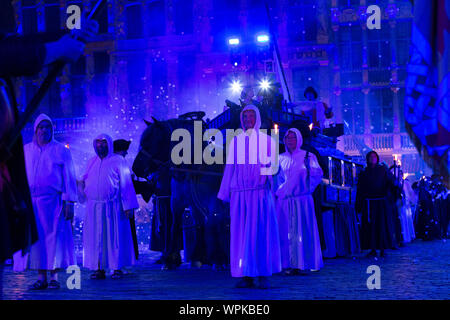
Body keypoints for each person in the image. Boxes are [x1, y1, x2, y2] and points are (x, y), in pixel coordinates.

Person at [218, 105, 281, 289]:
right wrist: (224, 194)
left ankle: (262, 274)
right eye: (244, 117)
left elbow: (273, 166)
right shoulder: (235, 142)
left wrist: (269, 181)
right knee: (241, 235)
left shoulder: (268, 141)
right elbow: (230, 168)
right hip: (240, 195)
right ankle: (245, 274)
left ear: (257, 119)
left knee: (260, 234)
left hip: (259, 193)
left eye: (251, 117)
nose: (247, 120)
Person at [13, 114, 78, 290]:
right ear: (36, 130)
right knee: (37, 241)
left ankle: (54, 277)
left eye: (47, 127)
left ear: (52, 130)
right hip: (32, 204)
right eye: (41, 127)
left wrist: (69, 202)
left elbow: (69, 177)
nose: (44, 130)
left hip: (53, 203)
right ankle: (41, 277)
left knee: (54, 239)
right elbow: (19, 176)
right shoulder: (26, 150)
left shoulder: (61, 150)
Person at [79, 134, 139, 279]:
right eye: (98, 143)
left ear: (109, 144)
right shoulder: (91, 162)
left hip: (113, 208)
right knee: (96, 239)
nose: (100, 146)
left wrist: (128, 206)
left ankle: (116, 267)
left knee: (114, 238)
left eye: (103, 143)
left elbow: (126, 183)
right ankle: (98, 268)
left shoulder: (118, 160)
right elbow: (85, 180)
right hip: (94, 208)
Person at [276, 128, 324, 275]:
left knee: (302, 232)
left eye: (293, 138)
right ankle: (287, 263)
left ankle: (302, 263)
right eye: (288, 138)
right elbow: (274, 179)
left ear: (299, 139)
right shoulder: (279, 158)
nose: (290, 141)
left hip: (302, 201)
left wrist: (305, 188)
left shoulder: (308, 156)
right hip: (284, 202)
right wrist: (279, 193)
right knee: (286, 233)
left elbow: (317, 176)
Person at [355, 151, 398, 258]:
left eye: (374, 157)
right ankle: (373, 249)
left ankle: (383, 249)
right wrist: (359, 205)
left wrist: (394, 186)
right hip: (369, 203)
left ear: (377, 158)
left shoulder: (383, 170)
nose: (372, 158)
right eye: (370, 157)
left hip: (381, 203)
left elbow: (390, 182)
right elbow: (360, 190)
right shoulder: (364, 173)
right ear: (367, 159)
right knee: (370, 227)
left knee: (382, 226)